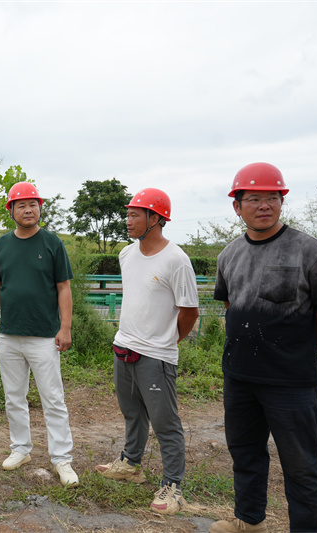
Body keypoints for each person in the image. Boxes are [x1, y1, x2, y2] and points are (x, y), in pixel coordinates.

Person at [209, 163, 317, 533]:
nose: (264, 205)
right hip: (240, 377)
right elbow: (231, 306)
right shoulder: (229, 255)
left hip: (292, 382)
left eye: (272, 197)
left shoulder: (310, 252)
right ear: (237, 206)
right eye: (253, 198)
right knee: (245, 454)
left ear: (282, 202)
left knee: (302, 465)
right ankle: (248, 521)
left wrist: (299, 351)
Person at [94, 188, 199, 515]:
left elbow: (190, 311)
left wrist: (167, 341)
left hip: (156, 357)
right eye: (127, 214)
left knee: (165, 423)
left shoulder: (176, 260)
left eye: (134, 215)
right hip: (124, 347)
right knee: (132, 413)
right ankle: (131, 463)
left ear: (155, 218)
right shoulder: (127, 254)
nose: (127, 220)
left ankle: (173, 486)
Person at [0, 182, 79, 488]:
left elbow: (64, 288)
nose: (28, 210)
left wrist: (65, 328)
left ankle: (62, 459)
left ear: (40, 208)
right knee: (14, 397)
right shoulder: (1, 245)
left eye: (33, 204)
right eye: (21, 205)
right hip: (9, 335)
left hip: (44, 336)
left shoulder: (52, 243)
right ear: (11, 211)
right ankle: (21, 449)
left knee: (53, 399)